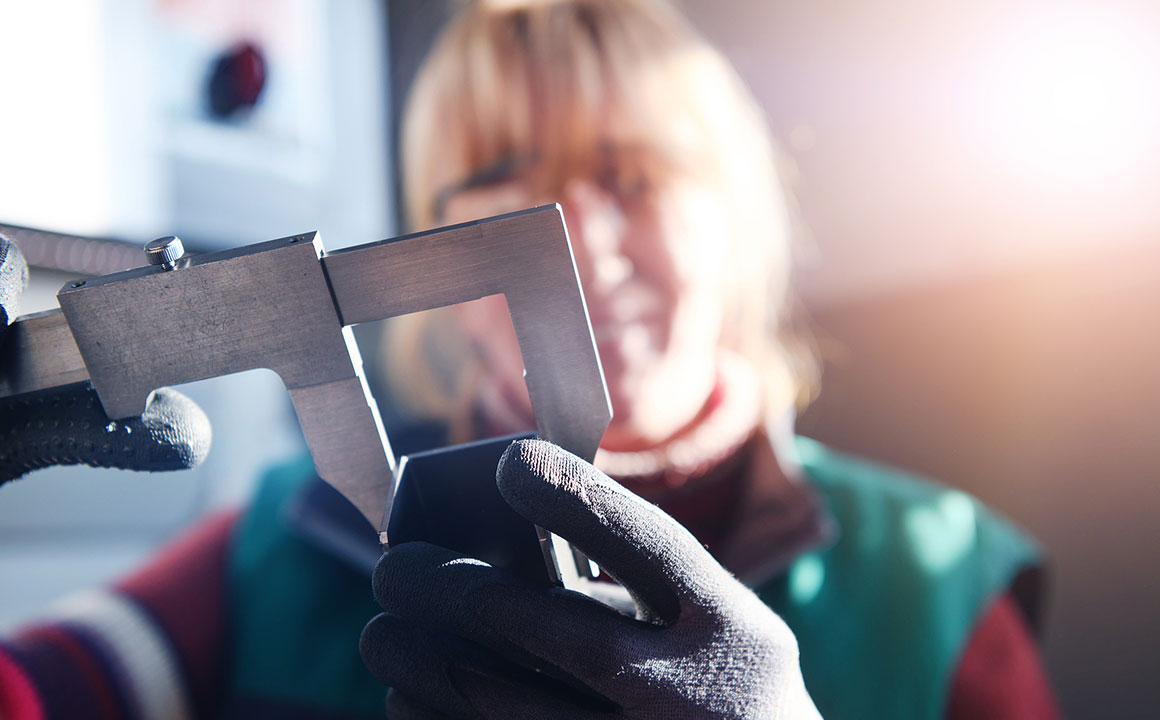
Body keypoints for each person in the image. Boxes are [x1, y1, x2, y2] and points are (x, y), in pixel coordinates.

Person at [0, 1, 1061, 718]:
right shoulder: (285, 539)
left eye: (632, 176)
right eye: (506, 182)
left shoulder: (936, 582)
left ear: (735, 216)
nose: (584, 244)